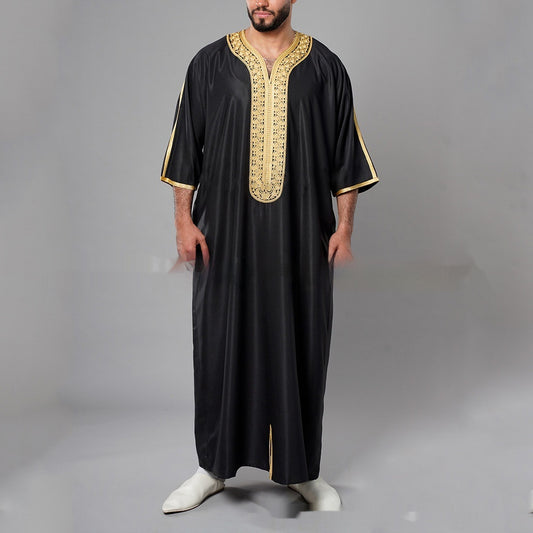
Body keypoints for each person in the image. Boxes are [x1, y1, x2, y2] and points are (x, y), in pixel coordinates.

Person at [160, 0, 379, 513]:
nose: (261, 2)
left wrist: (344, 229)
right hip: (224, 235)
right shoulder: (209, 64)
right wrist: (183, 222)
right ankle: (211, 468)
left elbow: (346, 156)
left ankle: (303, 472)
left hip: (300, 235)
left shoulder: (325, 68)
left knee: (301, 342)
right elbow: (185, 147)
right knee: (219, 342)